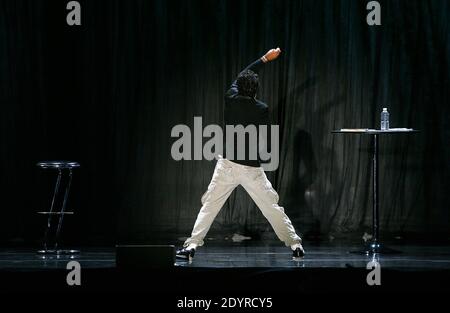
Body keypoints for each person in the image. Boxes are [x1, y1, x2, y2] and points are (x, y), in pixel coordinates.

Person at [176, 48, 305, 261]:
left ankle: (191, 247)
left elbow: (242, 74)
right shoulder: (262, 109)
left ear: (239, 88)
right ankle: (295, 245)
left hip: (227, 165)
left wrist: (264, 59)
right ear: (256, 90)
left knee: (210, 206)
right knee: (271, 207)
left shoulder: (230, 97)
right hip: (250, 168)